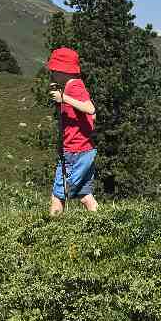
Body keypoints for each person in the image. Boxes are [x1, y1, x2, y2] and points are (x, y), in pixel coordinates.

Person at [46, 47, 99, 216]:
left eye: (54, 70)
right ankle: (102, 222)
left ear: (63, 70)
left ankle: (50, 229)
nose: (52, 73)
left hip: (74, 152)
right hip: (83, 149)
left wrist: (64, 99)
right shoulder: (76, 85)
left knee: (58, 195)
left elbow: (90, 109)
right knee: (85, 194)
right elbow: (93, 116)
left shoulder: (74, 87)